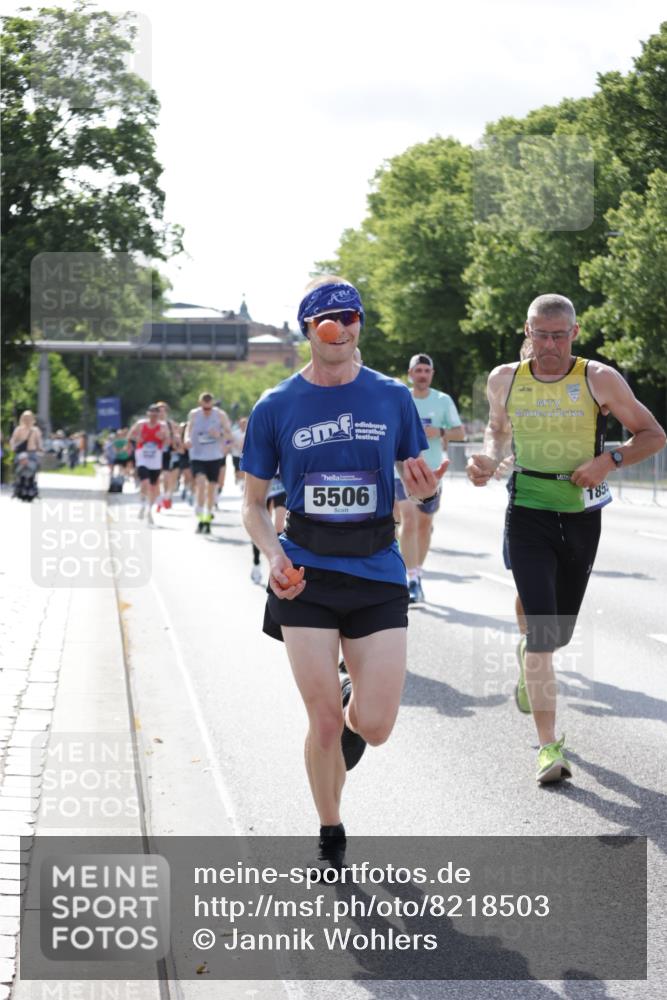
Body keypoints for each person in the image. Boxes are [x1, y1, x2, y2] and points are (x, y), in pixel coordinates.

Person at [241, 275, 447, 868]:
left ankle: (355, 700)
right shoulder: (276, 405)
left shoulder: (391, 397)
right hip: (304, 571)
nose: (343, 325)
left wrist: (429, 491)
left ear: (360, 324)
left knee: (374, 727)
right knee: (324, 720)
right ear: (309, 327)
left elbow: (418, 484)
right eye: (330, 316)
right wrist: (274, 558)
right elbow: (253, 504)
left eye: (351, 315)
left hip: (378, 568)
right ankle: (330, 828)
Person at [466, 293, 666, 784]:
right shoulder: (505, 378)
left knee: (558, 632)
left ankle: (531, 654)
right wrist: (489, 459)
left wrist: (607, 461)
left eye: (559, 335)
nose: (549, 345)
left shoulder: (597, 379)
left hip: (580, 515)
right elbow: (497, 429)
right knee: (542, 636)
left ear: (574, 334)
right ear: (527, 332)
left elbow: (653, 434)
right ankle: (548, 747)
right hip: (529, 509)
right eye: (541, 334)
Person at [394, 353, 465, 604]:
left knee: (424, 525)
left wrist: (440, 431)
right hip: (401, 472)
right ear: (410, 374)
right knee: (409, 521)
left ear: (431, 374)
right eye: (418, 370)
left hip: (432, 473)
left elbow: (460, 433)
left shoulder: (442, 400)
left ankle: (418, 574)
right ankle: (410, 579)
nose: (422, 374)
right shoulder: (401, 398)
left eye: (427, 370)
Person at [184, 392, 232, 533]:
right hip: (197, 456)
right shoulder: (194, 414)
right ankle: (199, 510)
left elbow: (230, 435)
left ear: (212, 405)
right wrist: (187, 439)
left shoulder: (220, 415)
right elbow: (188, 428)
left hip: (214, 457)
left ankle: (206, 519)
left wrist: (220, 435)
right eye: (204, 408)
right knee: (201, 483)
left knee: (211, 490)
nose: (207, 411)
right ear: (200, 404)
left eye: (209, 408)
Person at [128, 404, 169, 524]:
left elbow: (168, 441)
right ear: (148, 414)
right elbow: (130, 436)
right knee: (144, 481)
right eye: (151, 413)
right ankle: (142, 504)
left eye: (156, 414)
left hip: (155, 459)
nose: (154, 416)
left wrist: (162, 438)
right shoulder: (141, 424)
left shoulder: (163, 426)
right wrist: (137, 439)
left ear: (158, 415)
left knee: (153, 486)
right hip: (142, 458)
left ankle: (149, 510)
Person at [250, 473, 287, 585]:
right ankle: (256, 562)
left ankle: (278, 566)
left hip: (281, 487)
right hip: (263, 486)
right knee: (261, 528)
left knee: (279, 525)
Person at [10, 410, 43, 501]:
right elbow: (13, 440)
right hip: (21, 454)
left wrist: (40, 448)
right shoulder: (19, 429)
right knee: (19, 468)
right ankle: (18, 486)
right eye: (25, 418)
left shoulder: (35, 430)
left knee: (34, 467)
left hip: (32, 453)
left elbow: (39, 441)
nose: (27, 420)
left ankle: (32, 486)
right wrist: (13, 447)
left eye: (29, 418)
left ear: (32, 419)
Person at [155, 401, 181, 511]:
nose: (161, 413)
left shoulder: (170, 424)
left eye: (163, 411)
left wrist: (175, 439)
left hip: (168, 453)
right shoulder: (152, 423)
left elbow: (177, 436)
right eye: (159, 411)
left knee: (167, 477)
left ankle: (166, 497)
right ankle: (160, 499)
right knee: (156, 478)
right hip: (153, 454)